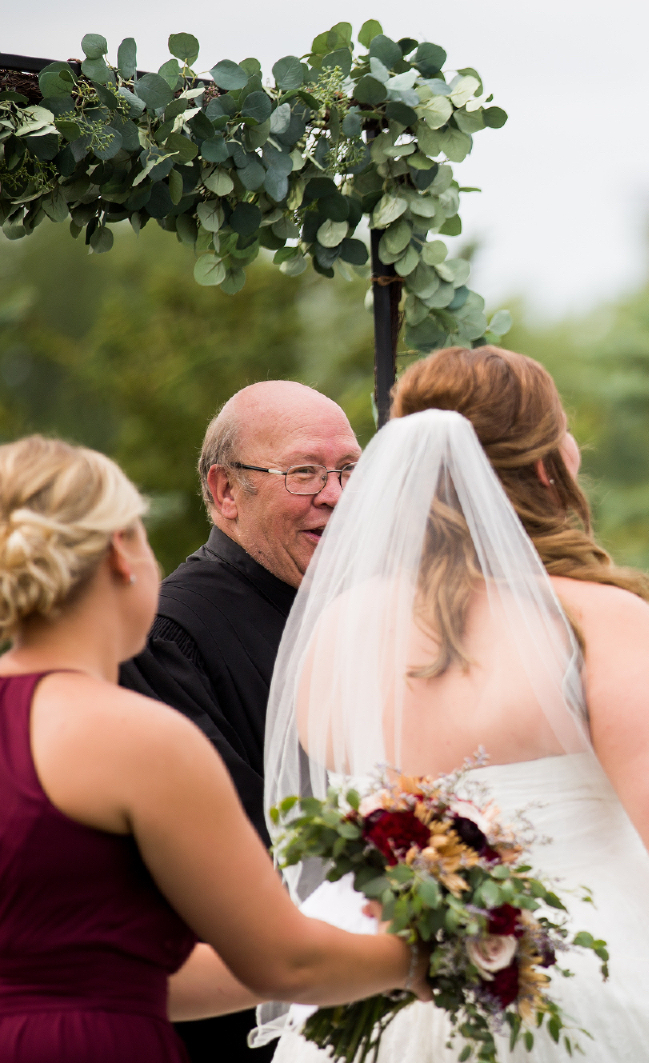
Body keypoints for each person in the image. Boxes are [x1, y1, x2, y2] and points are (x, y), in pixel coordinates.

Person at [259, 346, 649, 1062]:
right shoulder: (595, 622)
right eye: (563, 430)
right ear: (545, 464)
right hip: (582, 991)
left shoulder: (337, 632)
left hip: (383, 999)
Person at [0, 436, 430, 1063]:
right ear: (123, 551)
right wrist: (419, 956)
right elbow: (284, 960)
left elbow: (145, 976)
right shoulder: (139, 737)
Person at [120, 380, 362, 1060]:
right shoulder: (168, 635)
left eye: (350, 470)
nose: (336, 495)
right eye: (305, 472)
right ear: (226, 492)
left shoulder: (363, 614)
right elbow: (228, 856)